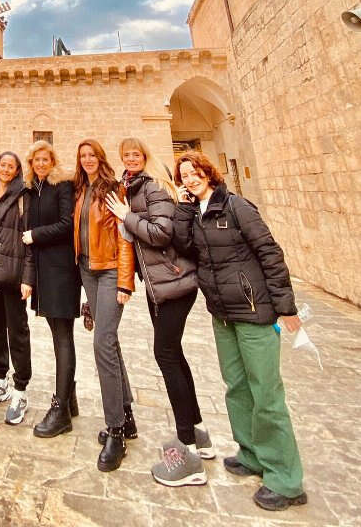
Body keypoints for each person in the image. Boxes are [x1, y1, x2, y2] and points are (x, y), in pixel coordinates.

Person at [172, 151, 307, 512]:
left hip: (253, 311)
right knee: (236, 385)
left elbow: (269, 252)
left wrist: (285, 305)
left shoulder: (236, 206)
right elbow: (182, 245)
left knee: (266, 393)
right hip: (223, 314)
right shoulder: (196, 213)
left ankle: (285, 479)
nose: (190, 179)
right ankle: (251, 453)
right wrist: (182, 207)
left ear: (209, 173)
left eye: (195, 172)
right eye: (184, 175)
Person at [106, 137, 212, 487]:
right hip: (160, 286)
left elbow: (162, 233)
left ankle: (187, 452)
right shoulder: (130, 187)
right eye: (126, 155)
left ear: (145, 156)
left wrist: (127, 216)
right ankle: (197, 433)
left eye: (136, 154)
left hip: (175, 283)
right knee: (174, 353)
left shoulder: (152, 187)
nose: (131, 159)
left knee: (165, 353)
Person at [73, 139, 135, 472]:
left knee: (102, 345)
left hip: (110, 271)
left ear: (101, 157)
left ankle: (115, 430)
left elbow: (125, 237)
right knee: (109, 342)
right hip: (88, 270)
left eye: (92, 155)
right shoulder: (81, 190)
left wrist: (125, 281)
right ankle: (127, 415)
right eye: (83, 156)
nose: (87, 160)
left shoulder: (112, 189)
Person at [21, 140, 80, 438]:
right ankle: (69, 399)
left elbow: (68, 224)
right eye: (36, 160)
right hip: (46, 273)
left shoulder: (62, 186)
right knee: (59, 335)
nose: (41, 164)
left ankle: (60, 411)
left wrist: (35, 234)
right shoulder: (34, 189)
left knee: (63, 337)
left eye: (46, 159)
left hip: (61, 271)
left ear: (53, 161)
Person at [0, 151, 34, 426]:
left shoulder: (24, 195)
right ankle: (0, 379)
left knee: (18, 332)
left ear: (18, 170)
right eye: (3, 165)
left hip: (13, 276)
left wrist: (28, 278)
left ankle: (21, 390)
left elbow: (29, 240)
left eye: (11, 166)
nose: (6, 169)